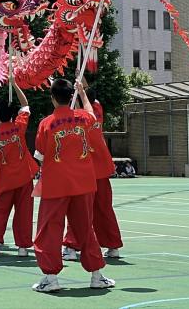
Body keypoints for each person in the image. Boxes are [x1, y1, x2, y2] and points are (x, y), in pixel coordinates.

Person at [31, 79, 114, 292]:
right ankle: (96, 275)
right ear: (71, 97)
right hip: (83, 183)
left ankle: (50, 278)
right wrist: (83, 94)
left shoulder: (46, 123)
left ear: (52, 97)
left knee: (50, 229)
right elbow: (93, 117)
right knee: (86, 228)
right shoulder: (84, 119)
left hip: (56, 184)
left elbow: (40, 154)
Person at [63, 84, 123, 260]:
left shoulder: (78, 118)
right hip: (102, 169)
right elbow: (89, 97)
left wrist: (78, 93)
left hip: (85, 170)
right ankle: (113, 245)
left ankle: (72, 247)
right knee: (104, 209)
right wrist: (81, 88)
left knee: (77, 209)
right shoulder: (97, 110)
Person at [0, 82, 37, 257]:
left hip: (5, 179)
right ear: (13, 114)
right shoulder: (19, 127)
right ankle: (22, 247)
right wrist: (15, 86)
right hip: (24, 176)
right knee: (24, 212)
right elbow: (25, 104)